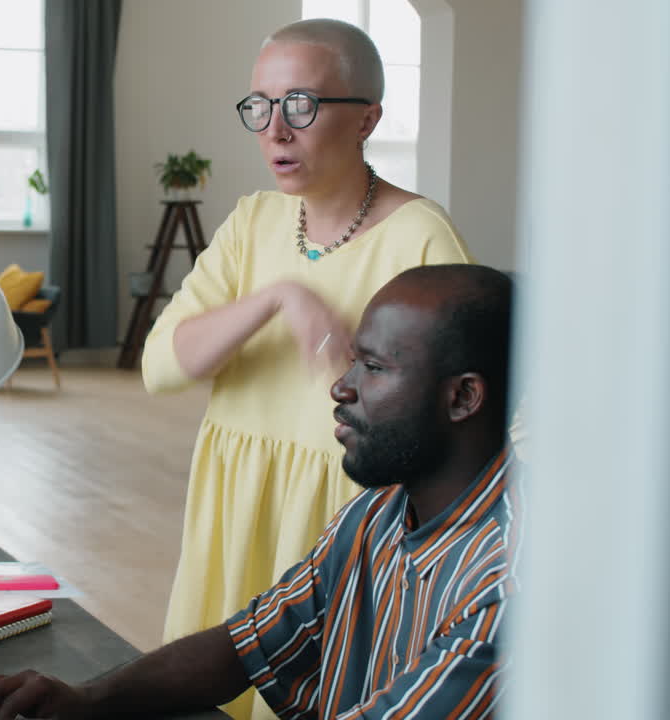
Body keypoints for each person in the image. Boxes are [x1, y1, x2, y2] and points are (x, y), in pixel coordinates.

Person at [0, 264, 517, 720]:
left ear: (464, 397)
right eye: (353, 359)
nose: (341, 386)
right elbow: (248, 643)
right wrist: (86, 700)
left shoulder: (509, 584)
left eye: (373, 368)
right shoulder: (376, 512)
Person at [141, 19, 473, 718]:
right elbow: (162, 366)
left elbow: (467, 400)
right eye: (259, 106)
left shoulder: (421, 234)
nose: (275, 131)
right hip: (237, 495)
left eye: (301, 105)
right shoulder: (252, 222)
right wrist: (280, 297)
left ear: (367, 119)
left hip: (345, 511)